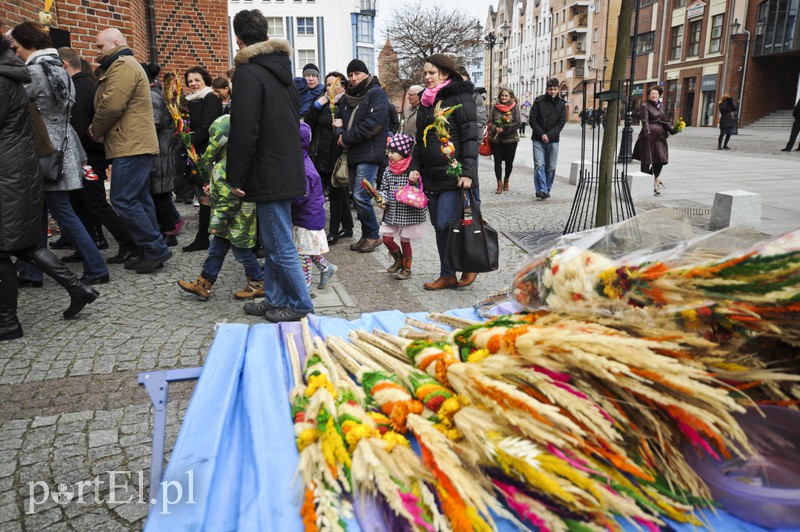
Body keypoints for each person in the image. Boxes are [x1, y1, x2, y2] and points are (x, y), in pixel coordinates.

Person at [0, 32, 98, 340]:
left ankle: (8, 322)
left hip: (11, 171)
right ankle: (77, 287)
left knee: (8, 246)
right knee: (22, 242)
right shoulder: (18, 75)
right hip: (20, 166)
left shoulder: (7, 80)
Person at [227, 9, 314, 323]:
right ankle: (276, 298)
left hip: (268, 171)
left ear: (239, 40)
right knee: (273, 240)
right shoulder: (284, 74)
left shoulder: (249, 73)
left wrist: (235, 174)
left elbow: (244, 129)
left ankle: (301, 303)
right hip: (285, 168)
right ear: (265, 36)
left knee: (278, 243)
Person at [11, 22, 111, 286]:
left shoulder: (35, 71)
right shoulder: (59, 68)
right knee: (40, 212)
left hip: (45, 150)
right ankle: (32, 272)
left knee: (63, 213)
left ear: (30, 46)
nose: (17, 53)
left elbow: (13, 100)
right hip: (63, 147)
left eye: (18, 49)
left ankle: (97, 267)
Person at [89, 27, 171, 273]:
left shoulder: (123, 65)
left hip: (131, 145)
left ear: (115, 42)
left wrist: (95, 129)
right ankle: (151, 248)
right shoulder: (124, 64)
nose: (97, 52)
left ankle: (155, 248)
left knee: (122, 199)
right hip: (133, 143)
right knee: (138, 197)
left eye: (100, 47)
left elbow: (112, 105)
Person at [57, 46, 138, 266]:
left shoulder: (80, 87)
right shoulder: (82, 84)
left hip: (87, 159)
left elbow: (80, 126)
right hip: (83, 158)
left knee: (96, 205)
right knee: (80, 205)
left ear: (63, 65)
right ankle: (86, 247)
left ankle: (129, 244)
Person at [409, 53, 478, 290]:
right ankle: (447, 274)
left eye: (431, 73)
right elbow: (421, 140)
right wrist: (415, 167)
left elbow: (470, 137)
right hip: (430, 176)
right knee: (441, 227)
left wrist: (468, 172)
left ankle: (468, 263)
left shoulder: (460, 96)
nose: (427, 77)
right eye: (425, 73)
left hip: (453, 173)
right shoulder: (426, 102)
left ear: (445, 74)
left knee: (445, 223)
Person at [178, 114, 264, 301]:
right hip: (232, 221)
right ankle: (204, 282)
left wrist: (217, 222)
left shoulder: (227, 166)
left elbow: (228, 201)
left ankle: (258, 282)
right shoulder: (233, 161)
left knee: (241, 252)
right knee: (216, 250)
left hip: (233, 221)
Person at [333, 59, 390, 253]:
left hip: (370, 153)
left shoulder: (376, 94)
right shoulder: (346, 98)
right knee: (358, 196)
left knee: (360, 195)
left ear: (366, 74)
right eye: (350, 75)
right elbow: (337, 123)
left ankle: (373, 235)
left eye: (357, 73)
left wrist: (345, 138)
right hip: (353, 153)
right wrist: (341, 136)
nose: (353, 78)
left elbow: (372, 125)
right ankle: (366, 235)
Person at [306, 71, 354, 245]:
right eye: (328, 84)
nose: (331, 88)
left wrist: (344, 125)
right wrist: (316, 106)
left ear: (343, 86)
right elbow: (309, 124)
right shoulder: (323, 103)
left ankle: (333, 231)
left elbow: (354, 126)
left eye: (335, 84)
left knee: (337, 192)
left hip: (340, 154)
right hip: (322, 154)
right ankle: (348, 227)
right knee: (337, 192)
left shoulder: (348, 103)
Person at [142, 62, 184, 246]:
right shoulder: (155, 92)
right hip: (162, 149)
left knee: (159, 193)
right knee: (160, 193)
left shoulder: (151, 96)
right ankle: (167, 226)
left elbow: (154, 122)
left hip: (161, 150)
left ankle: (169, 232)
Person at [182, 65, 223, 252]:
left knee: (208, 193)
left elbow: (208, 127)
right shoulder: (187, 100)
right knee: (202, 194)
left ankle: (209, 236)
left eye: (197, 80)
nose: (193, 84)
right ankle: (204, 236)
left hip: (208, 152)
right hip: (194, 152)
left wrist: (188, 141)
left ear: (205, 80)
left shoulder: (211, 98)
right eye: (190, 81)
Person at [294, 122, 338, 291]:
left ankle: (305, 288)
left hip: (307, 217)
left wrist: (287, 200)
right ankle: (327, 268)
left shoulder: (303, 167)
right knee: (307, 249)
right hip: (307, 216)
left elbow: (301, 195)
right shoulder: (301, 161)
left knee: (303, 253)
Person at [377, 133, 426, 280]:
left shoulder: (411, 170)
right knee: (386, 238)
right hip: (392, 211)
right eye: (389, 151)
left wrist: (413, 181)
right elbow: (383, 188)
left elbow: (417, 187)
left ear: (404, 153)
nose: (389, 155)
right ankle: (398, 259)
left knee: (405, 240)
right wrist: (383, 199)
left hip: (408, 212)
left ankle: (407, 268)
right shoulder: (388, 170)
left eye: (393, 152)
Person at [530, 78, 566, 199]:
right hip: (538, 139)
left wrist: (549, 135)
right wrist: (542, 134)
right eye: (550, 89)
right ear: (546, 89)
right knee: (539, 164)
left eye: (555, 89)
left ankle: (547, 189)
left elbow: (561, 123)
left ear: (558, 89)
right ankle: (541, 189)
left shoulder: (561, 104)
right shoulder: (539, 101)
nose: (552, 91)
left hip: (554, 139)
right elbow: (532, 120)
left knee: (551, 167)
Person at [632, 85, 671, 196]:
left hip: (660, 136)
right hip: (648, 136)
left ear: (659, 95)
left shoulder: (661, 106)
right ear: (649, 95)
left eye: (656, 93)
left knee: (661, 159)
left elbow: (665, 121)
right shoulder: (646, 106)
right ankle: (645, 182)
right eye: (652, 93)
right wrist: (647, 133)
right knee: (647, 160)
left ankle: (654, 178)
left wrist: (673, 129)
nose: (654, 95)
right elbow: (645, 121)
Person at [488, 88, 521, 194]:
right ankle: (499, 184)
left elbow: (518, 122)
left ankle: (506, 180)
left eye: (506, 96)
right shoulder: (495, 106)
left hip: (510, 140)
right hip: (496, 140)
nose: (504, 98)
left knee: (509, 162)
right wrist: (495, 128)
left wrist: (505, 129)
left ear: (510, 96)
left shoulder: (514, 107)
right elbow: (489, 121)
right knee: (497, 162)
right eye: (502, 95)